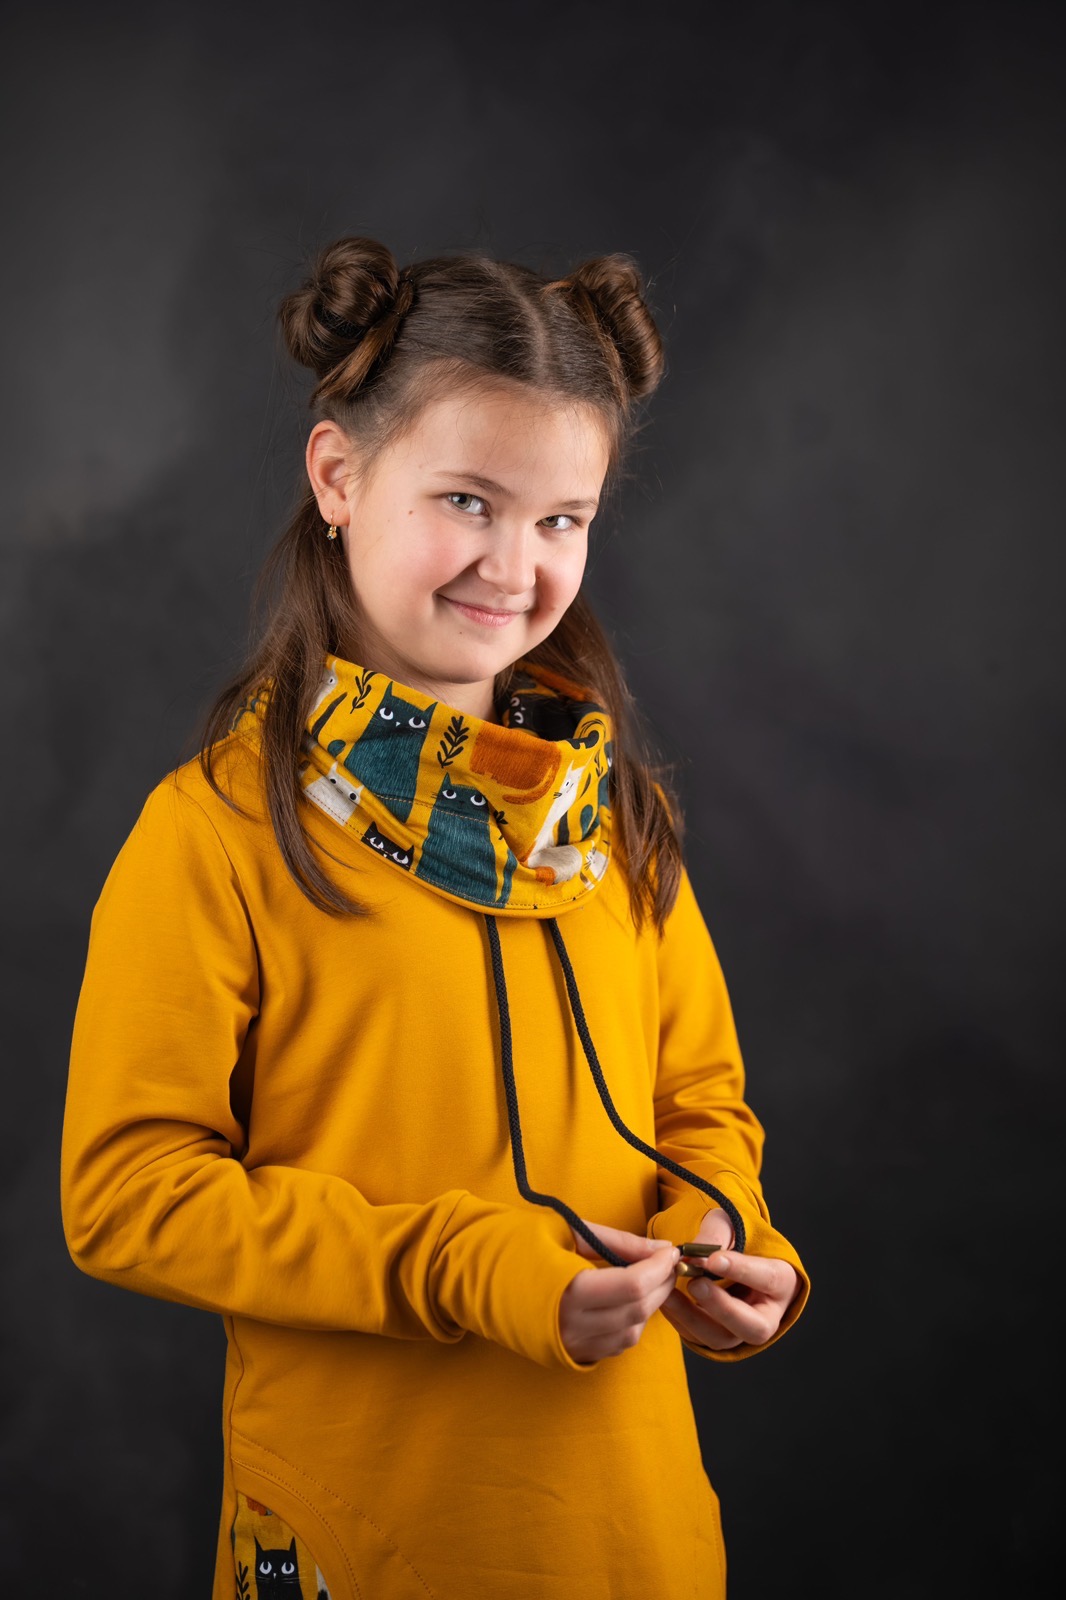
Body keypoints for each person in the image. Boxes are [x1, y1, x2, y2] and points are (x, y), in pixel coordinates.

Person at [60, 235, 810, 1600]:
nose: (514, 566)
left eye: (562, 519)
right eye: (468, 499)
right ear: (338, 478)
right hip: (371, 1540)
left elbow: (700, 1101)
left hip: (631, 1539)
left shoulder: (617, 822)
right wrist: (470, 1269)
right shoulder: (216, 832)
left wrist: (724, 1234)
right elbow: (126, 1198)